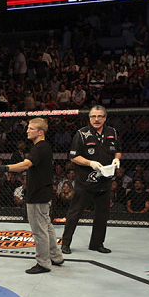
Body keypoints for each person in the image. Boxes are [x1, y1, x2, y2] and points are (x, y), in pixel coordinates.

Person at [0, 118, 64, 273]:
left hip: (37, 194)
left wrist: (6, 167)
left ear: (40, 132)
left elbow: (26, 164)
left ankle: (43, 263)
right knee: (46, 225)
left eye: (31, 128)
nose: (27, 130)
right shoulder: (44, 147)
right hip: (42, 192)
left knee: (39, 229)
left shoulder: (39, 148)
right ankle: (56, 256)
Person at [60, 106, 122, 255]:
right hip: (85, 183)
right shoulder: (82, 133)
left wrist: (116, 160)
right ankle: (65, 243)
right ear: (89, 118)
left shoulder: (111, 132)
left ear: (105, 118)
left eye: (100, 116)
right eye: (94, 116)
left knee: (102, 215)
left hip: (105, 182)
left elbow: (117, 150)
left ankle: (97, 244)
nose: (97, 119)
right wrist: (90, 163)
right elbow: (74, 156)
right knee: (74, 213)